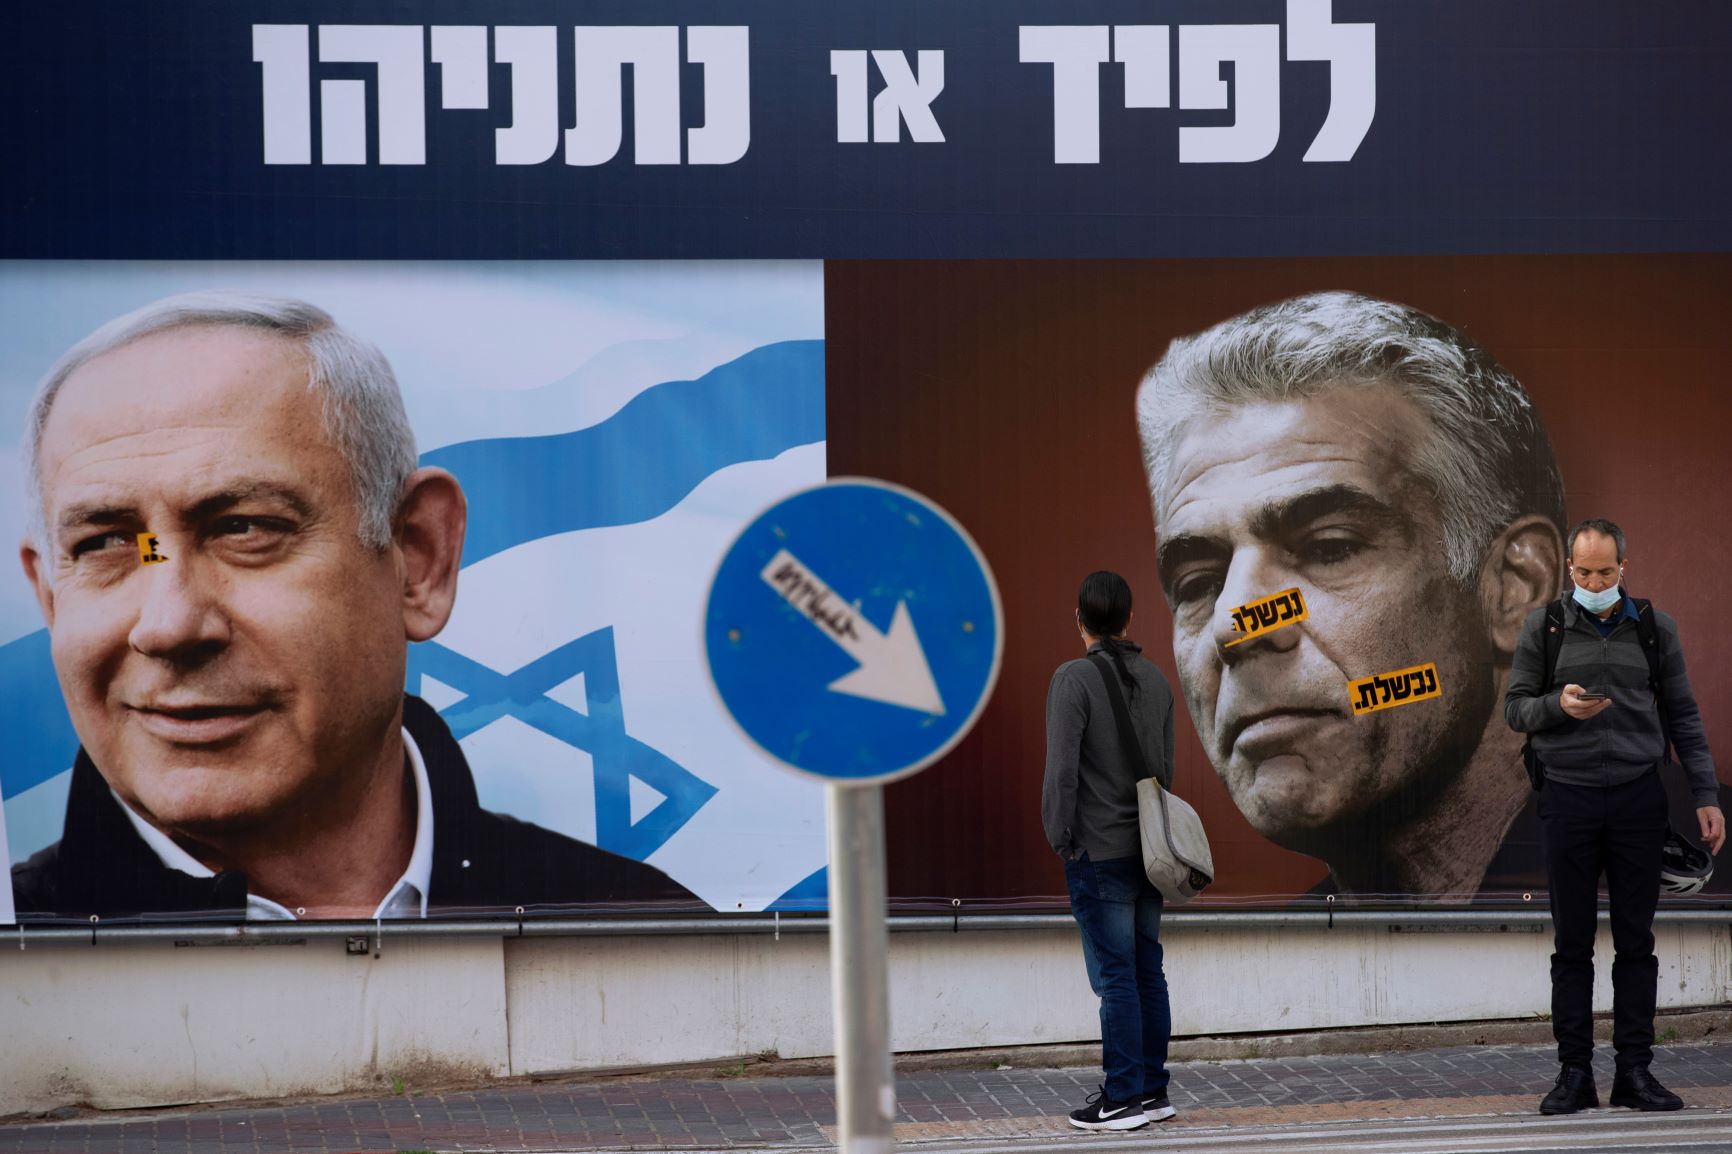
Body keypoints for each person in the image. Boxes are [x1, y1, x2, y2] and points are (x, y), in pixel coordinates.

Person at [11, 291, 696, 920]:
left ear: (418, 559)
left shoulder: (649, 935)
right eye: (106, 543)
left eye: (243, 528)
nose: (167, 624)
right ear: (49, 597)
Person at [1135, 290, 1574, 898]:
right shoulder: (1278, 985)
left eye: (1329, 547)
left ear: (1514, 591)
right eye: (1199, 584)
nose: (1236, 623)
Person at [1504, 518, 1725, 1115]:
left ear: (1624, 568)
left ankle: (1635, 1073)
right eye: (1584, 572)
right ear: (1568, 569)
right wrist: (1559, 706)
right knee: (1572, 944)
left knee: (1636, 943)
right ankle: (1574, 1075)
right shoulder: (1544, 626)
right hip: (1568, 799)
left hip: (1636, 799)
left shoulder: (1655, 629)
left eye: (1605, 572)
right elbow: (1515, 709)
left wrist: (1705, 794)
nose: (1594, 581)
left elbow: (1683, 715)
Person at [1041, 571, 1177, 1131]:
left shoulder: (1072, 678)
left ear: (1080, 621)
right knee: (1148, 971)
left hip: (1097, 853)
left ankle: (1121, 1098)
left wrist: (1061, 839)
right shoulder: (1158, 681)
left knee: (1115, 976)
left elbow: (1062, 773)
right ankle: (1152, 1089)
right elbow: (1165, 773)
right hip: (1150, 851)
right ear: (1128, 620)